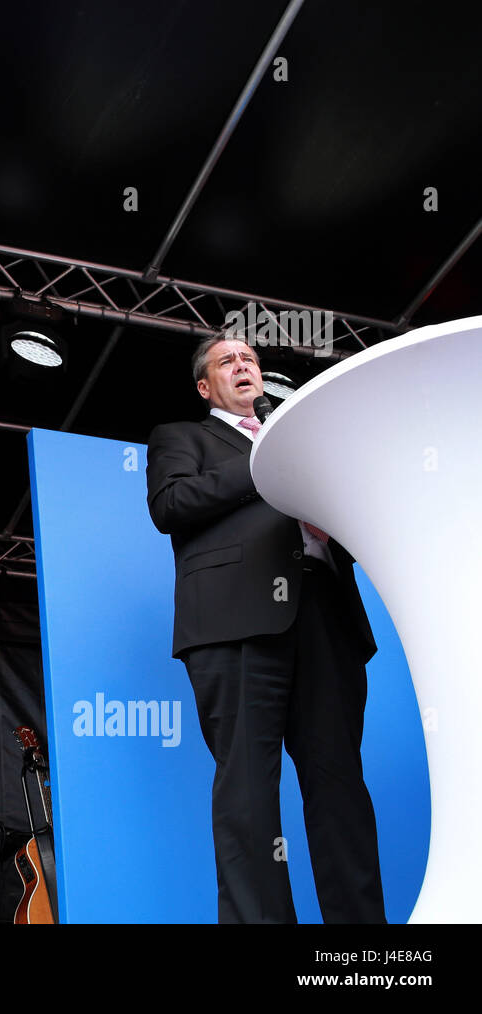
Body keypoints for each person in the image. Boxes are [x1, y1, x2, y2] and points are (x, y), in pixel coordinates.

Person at [145, 333, 386, 924]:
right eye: (228, 361)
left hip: (325, 619)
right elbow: (169, 505)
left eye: (250, 358)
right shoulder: (183, 437)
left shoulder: (305, 445)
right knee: (249, 790)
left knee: (340, 789)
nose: (244, 366)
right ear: (207, 387)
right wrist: (268, 463)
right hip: (237, 624)